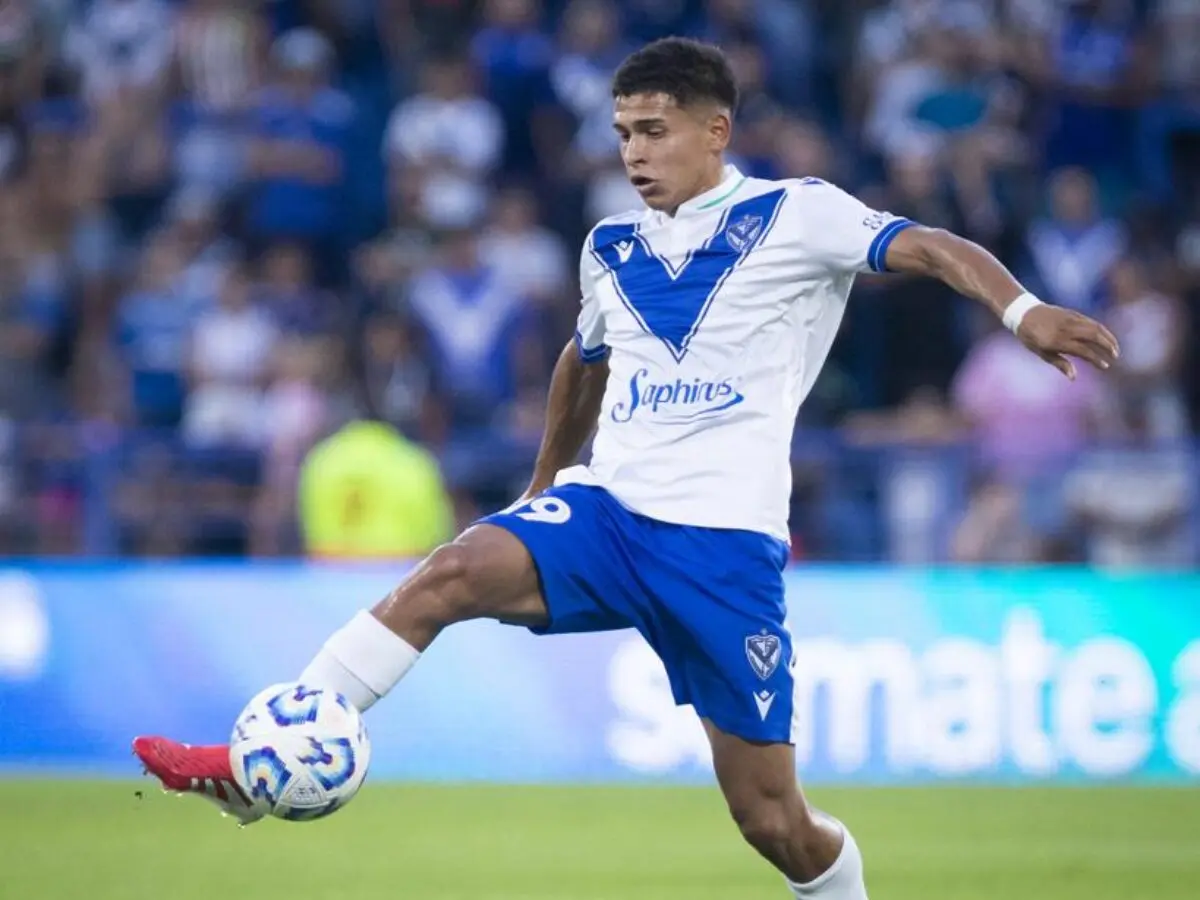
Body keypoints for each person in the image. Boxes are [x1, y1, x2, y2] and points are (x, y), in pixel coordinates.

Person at [133, 38, 1120, 898]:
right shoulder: (609, 246)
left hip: (722, 550)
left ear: (715, 131)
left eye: (654, 131)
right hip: (607, 514)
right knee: (450, 573)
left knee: (772, 821)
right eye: (622, 135)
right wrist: (544, 483)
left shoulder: (799, 214)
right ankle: (266, 760)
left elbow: (933, 246)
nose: (634, 153)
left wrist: (1023, 311)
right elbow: (584, 359)